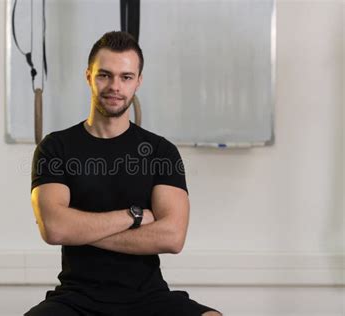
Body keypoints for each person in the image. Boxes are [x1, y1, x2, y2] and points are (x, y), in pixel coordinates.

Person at [25, 31, 222, 316]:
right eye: (105, 75)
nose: (115, 86)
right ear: (88, 76)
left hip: (149, 298)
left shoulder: (160, 152)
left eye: (126, 77)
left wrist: (79, 230)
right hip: (76, 299)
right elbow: (54, 228)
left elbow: (173, 237)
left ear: (138, 82)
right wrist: (135, 216)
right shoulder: (55, 148)